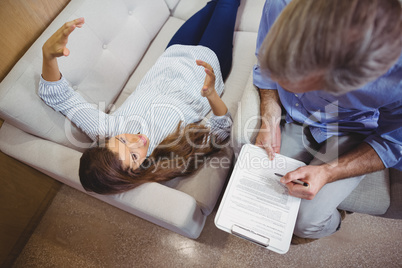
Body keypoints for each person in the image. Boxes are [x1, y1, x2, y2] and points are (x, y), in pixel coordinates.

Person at [39, 0, 240, 195]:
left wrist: (47, 56)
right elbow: (221, 130)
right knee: (228, 3)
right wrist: (212, 94)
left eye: (123, 140)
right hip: (209, 62)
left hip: (174, 52)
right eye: (134, 156)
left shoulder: (107, 130)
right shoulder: (169, 156)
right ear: (135, 173)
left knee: (212, 5)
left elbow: (61, 97)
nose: (137, 141)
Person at [253, 0, 402, 244]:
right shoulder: (279, 4)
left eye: (305, 85)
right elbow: (264, 70)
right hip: (294, 116)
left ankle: (336, 218)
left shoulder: (396, 79)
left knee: (306, 222)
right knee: (265, 192)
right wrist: (269, 115)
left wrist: (328, 172)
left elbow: (393, 142)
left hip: (354, 132)